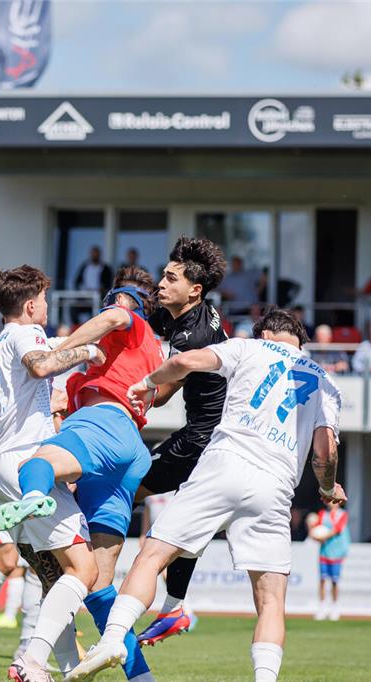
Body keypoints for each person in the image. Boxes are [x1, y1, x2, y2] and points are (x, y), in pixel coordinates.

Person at [67, 308, 345, 682]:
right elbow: (325, 452)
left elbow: (184, 361)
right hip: (275, 487)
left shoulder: (249, 347)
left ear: (265, 333)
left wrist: (148, 381)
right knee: (270, 600)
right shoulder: (326, 382)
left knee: (152, 556)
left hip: (224, 465)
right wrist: (327, 487)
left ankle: (114, 638)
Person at [0, 265, 162, 682]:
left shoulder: (124, 320)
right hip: (128, 449)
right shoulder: (146, 351)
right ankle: (139, 676)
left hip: (101, 425)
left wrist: (69, 347)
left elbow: (111, 319)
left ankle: (34, 496)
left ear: (125, 300)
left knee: (39, 467)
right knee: (95, 584)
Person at [0, 265, 112, 680]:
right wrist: (88, 353)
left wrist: (80, 342)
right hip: (27, 464)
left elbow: (49, 350)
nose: (47, 307)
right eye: (45, 300)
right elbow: (40, 365)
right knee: (84, 569)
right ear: (31, 306)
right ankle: (30, 661)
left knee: (53, 578)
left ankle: (65, 667)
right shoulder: (26, 334)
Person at [132, 236, 229, 646]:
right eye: (163, 276)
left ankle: (92, 576)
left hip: (200, 439)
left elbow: (165, 389)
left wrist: (137, 392)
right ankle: (174, 607)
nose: (161, 283)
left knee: (128, 489)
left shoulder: (191, 339)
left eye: (171, 279)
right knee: (190, 528)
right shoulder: (201, 312)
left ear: (195, 290)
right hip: (217, 439)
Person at [307, 500, 350, 621]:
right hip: (324, 552)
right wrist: (311, 529)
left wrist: (322, 537)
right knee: (322, 579)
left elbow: (337, 529)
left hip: (337, 552)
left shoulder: (342, 514)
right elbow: (316, 529)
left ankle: (335, 607)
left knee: (335, 581)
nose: (331, 503)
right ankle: (322, 607)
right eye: (329, 500)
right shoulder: (322, 514)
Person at [73, 247, 113, 323]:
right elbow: (77, 281)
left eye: (96, 254)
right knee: (73, 307)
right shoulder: (85, 266)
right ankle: (77, 325)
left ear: (100, 255)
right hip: (85, 295)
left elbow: (108, 284)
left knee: (96, 311)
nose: (94, 255)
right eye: (93, 254)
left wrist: (102, 290)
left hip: (99, 296)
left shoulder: (105, 268)